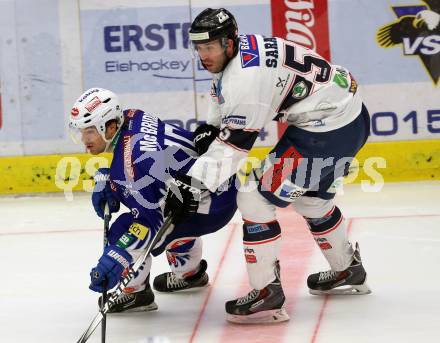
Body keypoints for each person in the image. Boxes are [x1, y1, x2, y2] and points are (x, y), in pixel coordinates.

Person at [163, 8, 372, 324]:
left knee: (253, 196)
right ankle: (347, 268)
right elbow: (222, 91)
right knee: (311, 199)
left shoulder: (245, 79)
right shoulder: (240, 50)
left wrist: (192, 184)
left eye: (210, 47)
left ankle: (266, 294)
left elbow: (233, 151)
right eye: (199, 48)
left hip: (324, 132)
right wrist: (211, 125)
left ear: (229, 42)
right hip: (350, 118)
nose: (204, 55)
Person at [68, 87, 237, 313]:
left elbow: (151, 223)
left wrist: (119, 256)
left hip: (207, 204)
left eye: (89, 131)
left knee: (124, 228)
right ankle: (188, 273)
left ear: (109, 127)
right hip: (222, 186)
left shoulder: (133, 168)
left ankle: (135, 293)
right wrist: (111, 182)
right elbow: (154, 170)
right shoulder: (131, 115)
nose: (84, 139)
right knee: (166, 205)